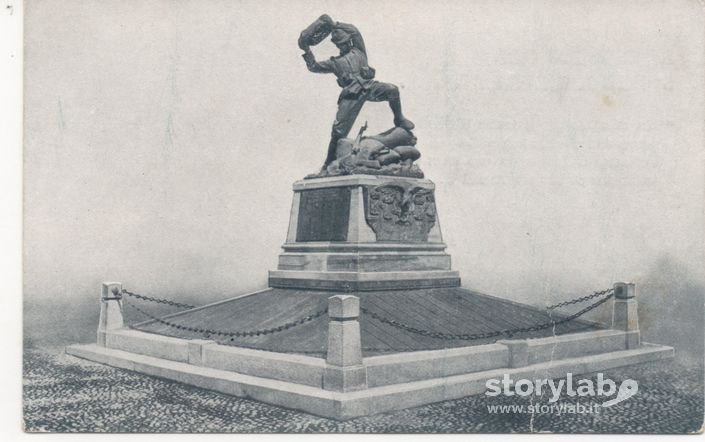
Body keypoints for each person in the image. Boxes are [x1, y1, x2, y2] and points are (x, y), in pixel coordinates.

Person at [301, 20, 415, 169]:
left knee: (392, 90)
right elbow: (314, 67)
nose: (343, 45)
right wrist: (306, 50)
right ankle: (328, 162)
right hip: (351, 94)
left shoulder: (359, 51)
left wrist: (334, 24)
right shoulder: (334, 63)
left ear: (349, 40)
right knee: (338, 131)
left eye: (345, 41)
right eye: (339, 43)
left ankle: (399, 118)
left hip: (369, 86)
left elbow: (355, 32)